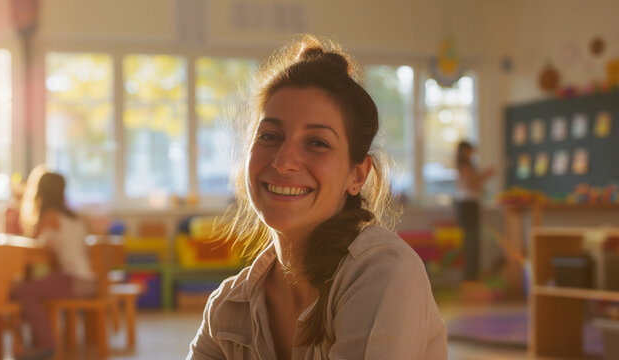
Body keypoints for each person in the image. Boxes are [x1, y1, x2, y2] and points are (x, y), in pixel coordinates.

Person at [188, 35, 447, 359]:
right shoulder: (227, 307)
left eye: (317, 143)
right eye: (269, 136)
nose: (283, 161)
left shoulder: (383, 271)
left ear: (357, 175)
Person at [15, 167, 96, 360]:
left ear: (39, 192)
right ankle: (39, 341)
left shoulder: (50, 215)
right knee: (33, 289)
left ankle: (46, 344)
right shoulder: (74, 217)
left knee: (23, 292)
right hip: (89, 280)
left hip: (73, 280)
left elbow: (31, 243)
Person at [455, 141, 495, 281]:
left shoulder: (467, 165)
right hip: (468, 205)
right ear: (464, 151)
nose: (472, 153)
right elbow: (472, 183)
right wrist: (485, 175)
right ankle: (470, 275)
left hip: (469, 204)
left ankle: (472, 274)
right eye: (469, 150)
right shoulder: (464, 166)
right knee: (471, 240)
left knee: (473, 239)